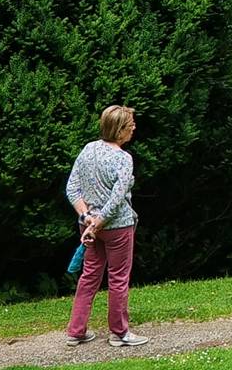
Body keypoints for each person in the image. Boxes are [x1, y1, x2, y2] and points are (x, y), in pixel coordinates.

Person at [65, 105, 150, 348]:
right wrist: (99, 221)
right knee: (119, 278)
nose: (134, 127)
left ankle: (76, 331)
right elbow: (117, 198)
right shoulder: (123, 159)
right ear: (120, 129)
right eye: (130, 124)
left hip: (89, 227)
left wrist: (87, 219)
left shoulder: (88, 149)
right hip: (118, 227)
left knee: (89, 276)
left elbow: (72, 188)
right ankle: (119, 333)